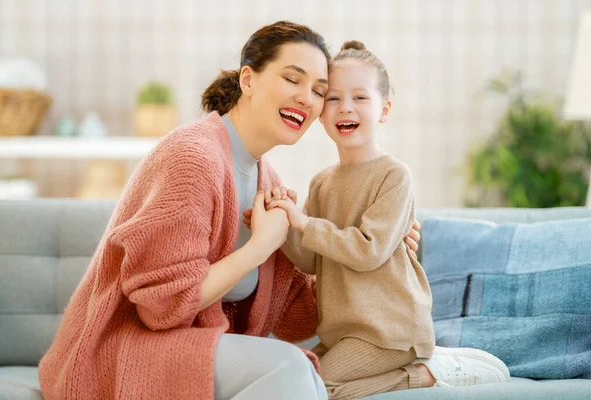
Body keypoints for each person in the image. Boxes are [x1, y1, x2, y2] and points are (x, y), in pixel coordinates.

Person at [38, 21, 421, 400]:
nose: (307, 98)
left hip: (195, 348)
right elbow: (161, 308)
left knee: (297, 367)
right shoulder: (192, 158)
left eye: (320, 91)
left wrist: (384, 255)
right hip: (125, 352)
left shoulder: (266, 179)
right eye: (292, 79)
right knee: (289, 367)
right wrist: (257, 248)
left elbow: (297, 311)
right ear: (248, 80)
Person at [253, 40, 510, 399]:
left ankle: (425, 375)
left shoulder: (393, 176)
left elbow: (368, 250)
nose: (346, 108)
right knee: (295, 378)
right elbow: (312, 260)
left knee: (318, 388)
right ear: (321, 112)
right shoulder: (322, 182)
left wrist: (304, 223)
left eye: (360, 98)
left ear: (384, 109)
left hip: (390, 331)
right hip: (344, 332)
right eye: (333, 98)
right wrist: (283, 219)